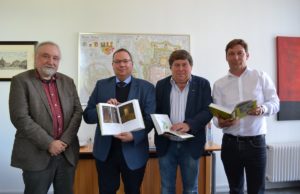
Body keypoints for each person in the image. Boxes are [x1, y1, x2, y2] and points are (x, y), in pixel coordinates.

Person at [9, 41, 83, 194]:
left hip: (66, 153)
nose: (51, 61)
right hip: (35, 153)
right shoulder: (21, 81)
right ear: (36, 58)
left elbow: (77, 112)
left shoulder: (68, 82)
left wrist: (64, 141)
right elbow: (20, 117)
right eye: (46, 56)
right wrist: (49, 143)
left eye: (55, 58)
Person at [83, 48, 155, 194]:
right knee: (106, 191)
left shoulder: (146, 87)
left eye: (125, 61)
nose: (122, 65)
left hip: (134, 151)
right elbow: (87, 116)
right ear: (113, 64)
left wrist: (134, 136)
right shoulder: (101, 85)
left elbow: (150, 119)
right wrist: (102, 110)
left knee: (133, 191)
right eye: (118, 61)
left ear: (132, 64)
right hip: (105, 152)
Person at [212, 39, 280, 194]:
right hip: (230, 144)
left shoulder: (260, 76)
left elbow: (276, 103)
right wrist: (220, 122)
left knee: (256, 190)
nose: (236, 57)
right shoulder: (219, 84)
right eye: (231, 54)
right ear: (226, 57)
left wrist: (262, 109)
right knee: (235, 189)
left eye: (240, 53)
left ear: (247, 55)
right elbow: (216, 116)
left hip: (255, 143)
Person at [155, 49, 213, 194]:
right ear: (171, 67)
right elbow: (155, 110)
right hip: (166, 144)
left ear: (190, 66)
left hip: (191, 145)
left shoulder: (202, 84)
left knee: (190, 189)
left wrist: (188, 125)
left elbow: (208, 110)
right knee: (167, 188)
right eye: (176, 65)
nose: (181, 69)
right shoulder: (161, 85)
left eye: (184, 64)